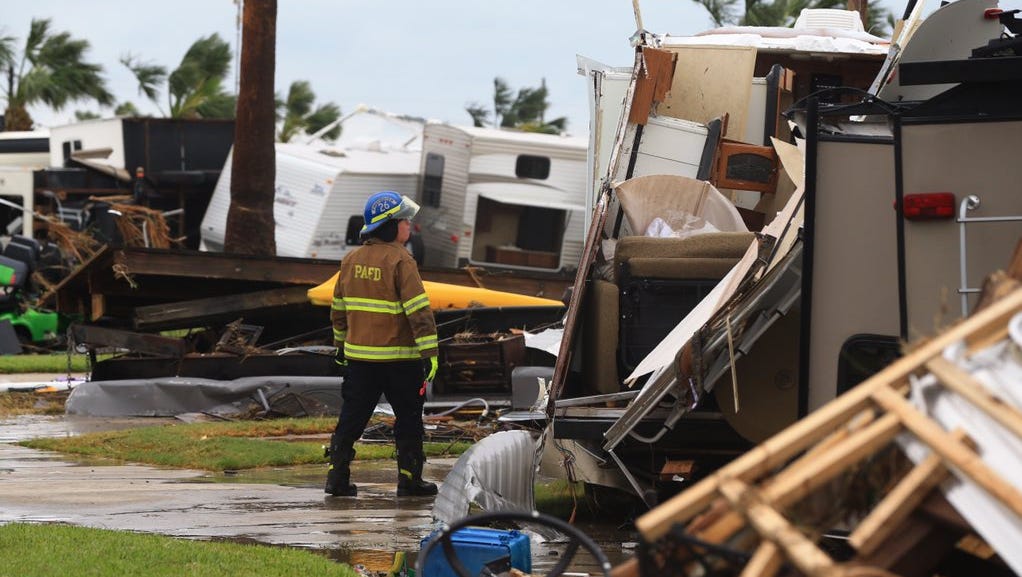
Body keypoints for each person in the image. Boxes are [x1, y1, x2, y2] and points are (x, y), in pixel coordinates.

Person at [325, 191, 440, 497]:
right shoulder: (402, 260)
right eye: (404, 220)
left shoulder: (350, 260)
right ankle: (409, 480)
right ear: (390, 225)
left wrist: (340, 347)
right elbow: (419, 312)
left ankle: (337, 478)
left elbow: (339, 309)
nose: (409, 226)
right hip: (401, 362)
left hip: (360, 361)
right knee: (408, 419)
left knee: (351, 418)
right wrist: (430, 353)